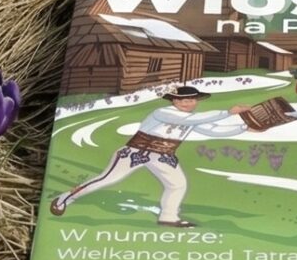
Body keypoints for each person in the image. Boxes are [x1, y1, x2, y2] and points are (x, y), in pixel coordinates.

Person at [48, 85, 242, 228]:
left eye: (192, 100)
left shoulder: (191, 118)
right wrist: (227, 112)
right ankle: (65, 198)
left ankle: (168, 217)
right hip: (136, 152)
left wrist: (243, 127)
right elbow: (194, 119)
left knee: (177, 184)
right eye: (184, 100)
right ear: (174, 101)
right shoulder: (163, 111)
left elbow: (212, 130)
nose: (189, 103)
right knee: (106, 179)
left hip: (163, 156)